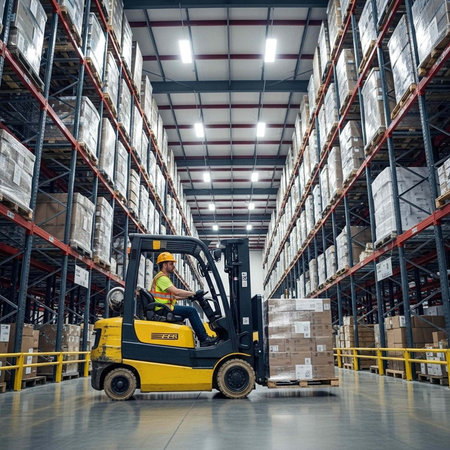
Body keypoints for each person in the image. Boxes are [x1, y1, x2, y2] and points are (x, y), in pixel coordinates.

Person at [150, 252, 218, 347]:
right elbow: (176, 292)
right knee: (192, 311)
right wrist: (193, 293)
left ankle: (203, 338)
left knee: (190, 311)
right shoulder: (162, 278)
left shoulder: (164, 278)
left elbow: (175, 296)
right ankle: (204, 339)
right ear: (164, 265)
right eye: (171, 264)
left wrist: (189, 296)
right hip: (163, 309)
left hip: (165, 307)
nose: (173, 266)